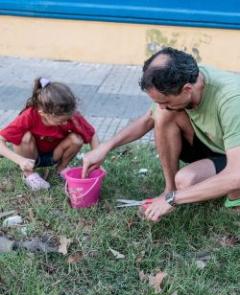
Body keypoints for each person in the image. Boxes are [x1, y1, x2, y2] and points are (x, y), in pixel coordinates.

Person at [82, 47, 240, 221]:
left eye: (165, 101)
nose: (161, 106)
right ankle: (169, 189)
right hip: (215, 143)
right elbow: (148, 119)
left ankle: (234, 200)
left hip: (235, 157)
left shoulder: (232, 100)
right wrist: (105, 147)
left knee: (190, 181)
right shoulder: (185, 78)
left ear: (187, 89)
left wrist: (173, 200)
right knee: (162, 116)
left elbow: (236, 175)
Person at [0, 78, 98, 191]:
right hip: (31, 157)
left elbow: (92, 134)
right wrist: (20, 160)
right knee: (24, 136)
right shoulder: (29, 116)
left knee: (77, 139)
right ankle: (29, 174)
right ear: (43, 113)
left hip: (54, 155)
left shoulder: (71, 116)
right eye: (60, 121)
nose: (65, 123)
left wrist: (96, 158)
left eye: (67, 119)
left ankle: (61, 168)